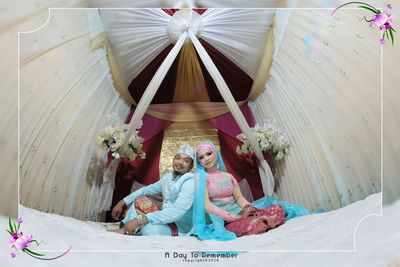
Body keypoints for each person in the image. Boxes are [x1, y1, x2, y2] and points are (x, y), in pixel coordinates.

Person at [193, 141, 317, 241]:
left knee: (276, 208)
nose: (206, 159)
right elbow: (206, 205)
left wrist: (249, 208)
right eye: (201, 157)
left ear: (216, 153)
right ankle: (261, 223)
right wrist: (229, 217)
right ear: (199, 162)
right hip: (222, 220)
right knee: (251, 225)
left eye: (209, 154)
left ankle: (264, 220)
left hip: (240, 212)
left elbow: (239, 199)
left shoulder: (228, 176)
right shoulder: (202, 178)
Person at [111, 144, 195, 236]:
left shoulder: (190, 182)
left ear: (191, 166)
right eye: (178, 158)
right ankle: (126, 229)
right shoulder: (168, 177)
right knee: (140, 200)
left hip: (180, 225)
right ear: (173, 159)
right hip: (164, 219)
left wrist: (140, 220)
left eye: (186, 161)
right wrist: (122, 202)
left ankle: (133, 228)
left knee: (149, 230)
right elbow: (145, 190)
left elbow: (177, 211)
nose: (180, 162)